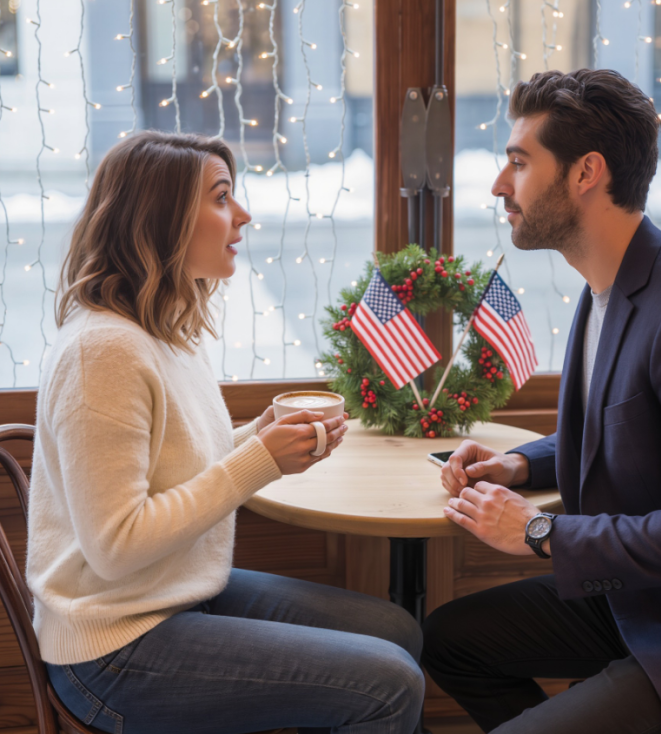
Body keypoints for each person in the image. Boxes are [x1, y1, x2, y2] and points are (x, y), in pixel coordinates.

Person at [27, 131, 424, 734]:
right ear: (160, 218)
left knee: (398, 631)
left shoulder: (162, 329)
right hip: (112, 650)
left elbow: (174, 469)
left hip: (172, 595)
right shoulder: (102, 353)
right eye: (221, 198)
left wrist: (257, 436)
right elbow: (114, 546)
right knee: (390, 681)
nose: (243, 214)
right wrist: (259, 460)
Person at [421, 69, 661, 734]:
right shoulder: (608, 285)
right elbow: (632, 425)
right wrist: (520, 466)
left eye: (519, 163)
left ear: (586, 173)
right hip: (636, 600)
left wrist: (538, 530)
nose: (500, 186)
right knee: (448, 640)